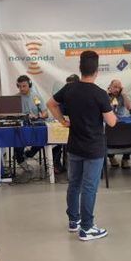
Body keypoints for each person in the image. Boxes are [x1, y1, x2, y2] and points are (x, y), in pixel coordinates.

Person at [48, 51, 117, 241]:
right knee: (89, 187)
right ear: (96, 70)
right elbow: (111, 122)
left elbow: (50, 103)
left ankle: (74, 221)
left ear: (80, 68)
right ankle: (87, 228)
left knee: (74, 184)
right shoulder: (100, 94)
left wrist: (62, 120)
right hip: (93, 148)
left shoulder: (69, 89)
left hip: (74, 146)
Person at [14, 74, 47, 167]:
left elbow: (45, 113)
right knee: (16, 135)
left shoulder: (35, 97)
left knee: (43, 134)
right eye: (19, 86)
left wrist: (38, 116)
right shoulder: (15, 98)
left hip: (35, 123)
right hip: (21, 125)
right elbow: (12, 114)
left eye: (24, 86)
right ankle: (20, 159)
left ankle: (30, 153)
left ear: (30, 85)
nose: (21, 88)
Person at [52, 74, 80, 174]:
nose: (68, 88)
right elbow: (57, 110)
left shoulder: (83, 96)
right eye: (67, 86)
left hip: (79, 130)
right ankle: (57, 164)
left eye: (71, 85)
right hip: (65, 126)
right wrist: (63, 120)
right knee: (56, 141)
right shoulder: (63, 97)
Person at [106, 78, 131, 168]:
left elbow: (129, 107)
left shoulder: (122, 95)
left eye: (119, 87)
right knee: (106, 132)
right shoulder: (105, 95)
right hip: (109, 122)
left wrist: (124, 94)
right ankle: (111, 156)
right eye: (115, 87)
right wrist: (106, 96)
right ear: (110, 87)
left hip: (122, 121)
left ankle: (125, 158)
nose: (117, 89)